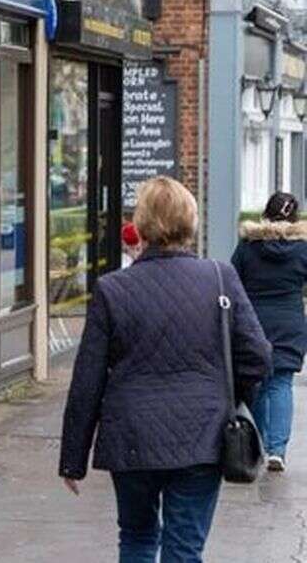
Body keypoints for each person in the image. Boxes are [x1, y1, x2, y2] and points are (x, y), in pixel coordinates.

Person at [59, 176, 272, 563]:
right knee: (184, 549)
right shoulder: (221, 278)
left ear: (140, 226)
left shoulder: (112, 289)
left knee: (137, 537)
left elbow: (87, 379)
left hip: (132, 436)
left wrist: (73, 457)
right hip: (202, 435)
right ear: (190, 222)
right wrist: (229, 397)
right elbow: (257, 355)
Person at [231, 192, 307, 472]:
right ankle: (278, 450)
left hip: (254, 322)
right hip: (290, 322)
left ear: (265, 213)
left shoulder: (247, 247)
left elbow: (232, 282)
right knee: (281, 382)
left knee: (258, 381)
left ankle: (260, 443)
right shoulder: (302, 249)